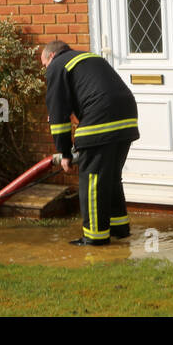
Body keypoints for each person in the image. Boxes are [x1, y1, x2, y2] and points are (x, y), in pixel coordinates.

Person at [41, 40, 139, 246]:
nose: (45, 71)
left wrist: (65, 153)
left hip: (101, 121)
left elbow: (58, 117)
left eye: (44, 65)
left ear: (51, 57)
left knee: (92, 182)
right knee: (110, 178)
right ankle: (119, 229)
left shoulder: (57, 66)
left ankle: (95, 237)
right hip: (127, 118)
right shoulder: (88, 58)